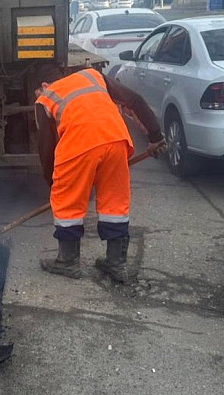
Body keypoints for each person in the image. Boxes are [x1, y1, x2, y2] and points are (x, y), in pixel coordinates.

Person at [35, 66, 166, 284]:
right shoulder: (92, 76)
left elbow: (46, 147)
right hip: (116, 140)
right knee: (115, 204)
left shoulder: (46, 98)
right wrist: (155, 135)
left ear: (43, 86)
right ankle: (116, 263)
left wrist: (52, 181)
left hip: (78, 146)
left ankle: (68, 262)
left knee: (67, 205)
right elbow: (134, 100)